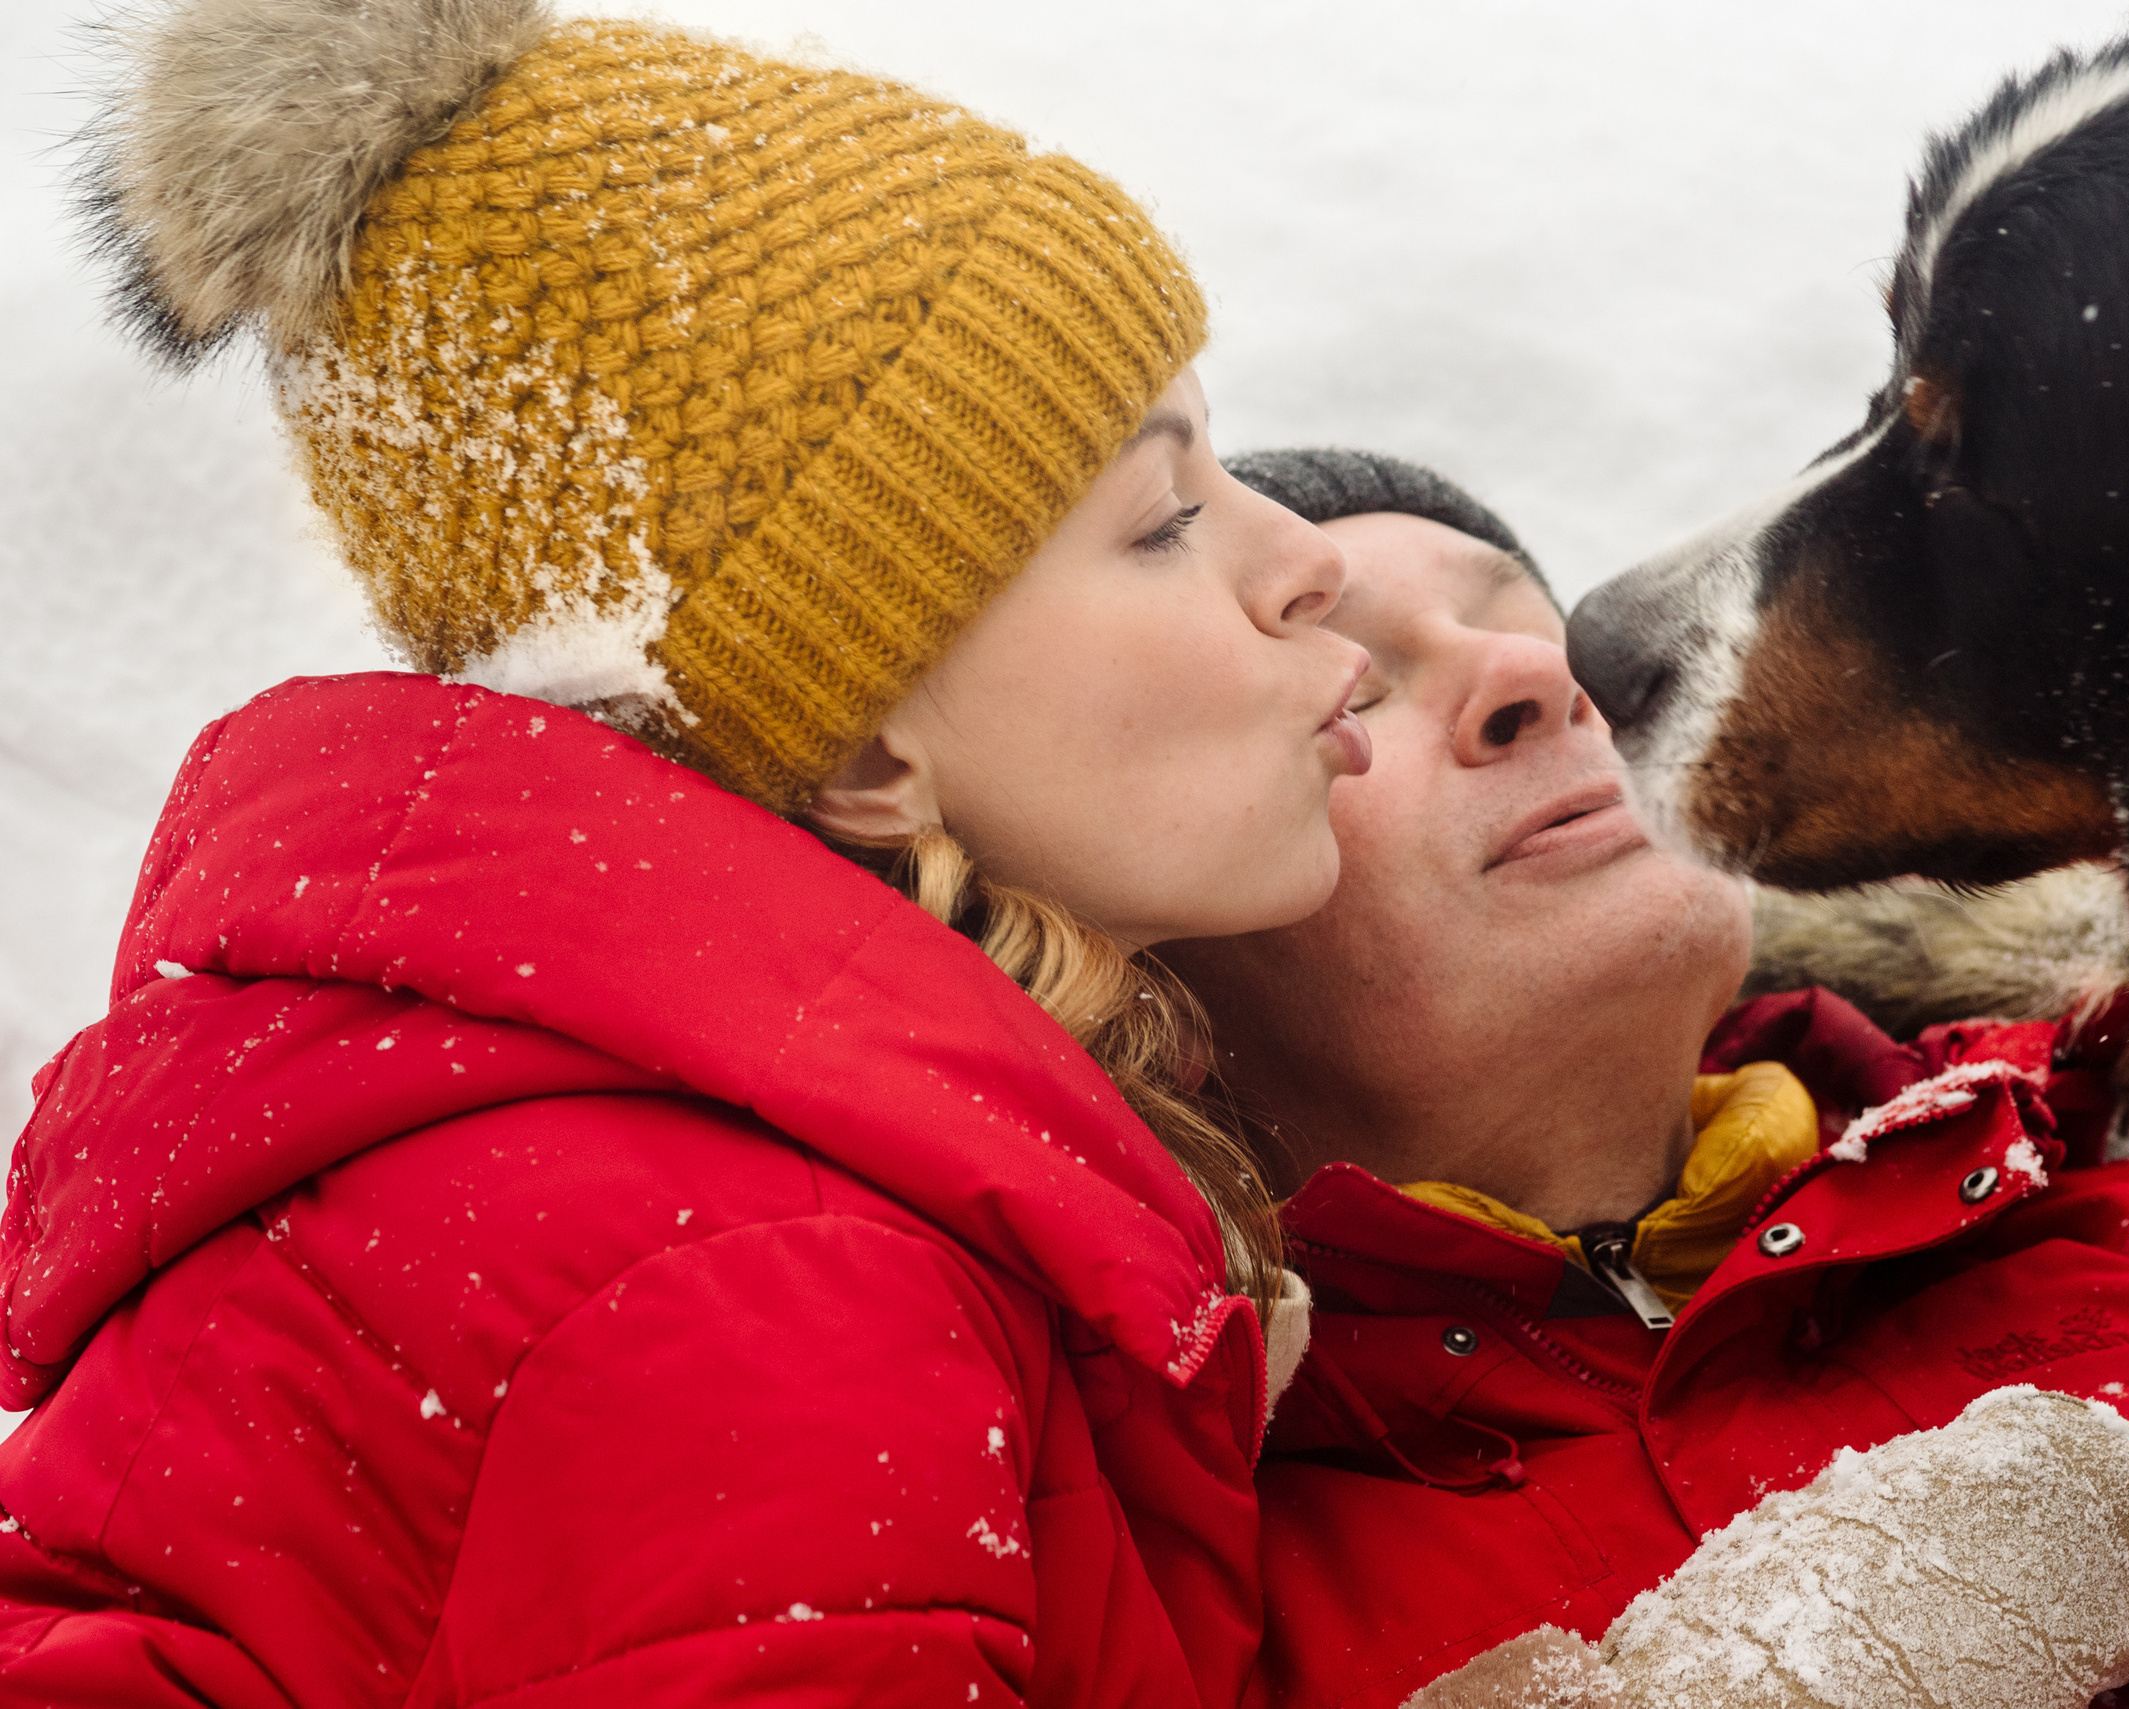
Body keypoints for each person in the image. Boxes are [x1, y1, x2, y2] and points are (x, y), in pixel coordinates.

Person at [0, 3, 1373, 1702]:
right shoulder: (764, 1291)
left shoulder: (682, 1186)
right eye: (1164, 522)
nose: (1312, 560)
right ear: (860, 747)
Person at [1168, 449, 2129, 1708]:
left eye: (1536, 624)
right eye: (1358, 684)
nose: (1543, 674)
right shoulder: (1167, 1578)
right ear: (1159, 962)